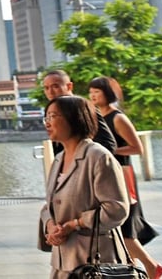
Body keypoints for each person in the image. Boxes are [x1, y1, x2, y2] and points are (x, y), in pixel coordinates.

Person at [40, 95, 129, 279]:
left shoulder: (98, 157)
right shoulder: (58, 159)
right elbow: (49, 205)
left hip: (95, 263)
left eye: (53, 116)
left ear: (74, 118)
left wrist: (75, 224)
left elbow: (117, 209)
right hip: (62, 262)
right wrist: (51, 226)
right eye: (46, 117)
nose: (47, 123)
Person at [88, 76, 162, 279]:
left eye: (97, 91)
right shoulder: (96, 116)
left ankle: (151, 266)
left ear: (107, 93)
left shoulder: (117, 118)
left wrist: (109, 151)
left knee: (124, 229)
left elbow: (137, 148)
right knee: (120, 230)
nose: (93, 95)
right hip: (105, 175)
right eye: (91, 92)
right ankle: (135, 269)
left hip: (122, 175)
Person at [41, 70, 116, 154]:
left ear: (69, 86)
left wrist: (80, 160)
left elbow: (108, 144)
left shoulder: (83, 108)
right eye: (46, 88)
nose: (50, 92)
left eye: (55, 87)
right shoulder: (51, 110)